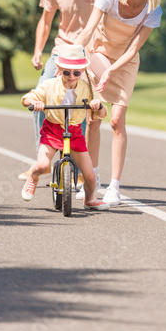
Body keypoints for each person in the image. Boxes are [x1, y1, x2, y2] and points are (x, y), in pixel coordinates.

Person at [18, 0, 111, 181]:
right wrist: (38, 50)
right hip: (60, 51)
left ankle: (79, 170)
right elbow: (45, 21)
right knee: (41, 97)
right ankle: (42, 159)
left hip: (89, 54)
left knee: (81, 104)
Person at [75, 0, 162, 206]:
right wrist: (70, 53)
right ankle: (91, 180)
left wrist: (112, 70)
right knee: (93, 119)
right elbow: (89, 29)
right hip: (98, 54)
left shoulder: (152, 9)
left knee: (116, 121)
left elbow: (134, 49)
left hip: (124, 64)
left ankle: (114, 186)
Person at [21, 44, 109, 211]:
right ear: (59, 68)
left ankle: (89, 199)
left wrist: (97, 105)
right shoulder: (50, 85)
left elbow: (103, 112)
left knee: (90, 177)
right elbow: (27, 98)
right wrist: (35, 102)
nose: (71, 76)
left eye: (76, 73)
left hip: (74, 133)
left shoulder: (86, 87)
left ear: (82, 71)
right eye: (66, 72)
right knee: (42, 166)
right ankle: (33, 176)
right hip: (52, 130)